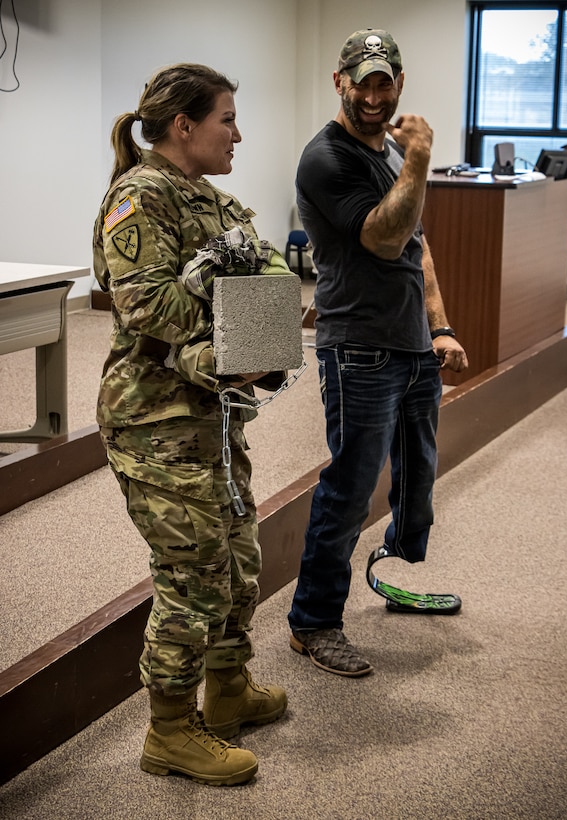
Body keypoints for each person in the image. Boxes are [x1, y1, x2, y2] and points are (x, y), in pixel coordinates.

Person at [93, 63, 288, 787]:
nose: (238, 133)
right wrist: (237, 344)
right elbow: (147, 308)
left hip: (210, 412)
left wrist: (258, 338)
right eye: (226, 119)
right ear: (185, 126)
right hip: (153, 420)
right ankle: (170, 731)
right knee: (192, 574)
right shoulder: (139, 200)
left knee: (238, 556)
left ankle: (228, 689)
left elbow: (267, 270)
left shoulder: (210, 198)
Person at [288, 30, 469, 677]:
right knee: (350, 486)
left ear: (398, 82)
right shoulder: (326, 158)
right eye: (360, 81)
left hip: (412, 344)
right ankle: (312, 620)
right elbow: (386, 240)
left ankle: (389, 565)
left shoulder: (393, 151)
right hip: (358, 348)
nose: (372, 94)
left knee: (417, 478)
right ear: (339, 80)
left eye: (382, 81)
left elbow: (416, 247)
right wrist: (419, 159)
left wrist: (440, 328)